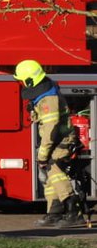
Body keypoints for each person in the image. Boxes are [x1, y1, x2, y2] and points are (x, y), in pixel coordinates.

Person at [16, 59, 78, 228]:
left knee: (55, 171)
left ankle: (74, 210)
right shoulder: (44, 93)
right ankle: (54, 212)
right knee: (50, 177)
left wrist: (42, 155)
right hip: (54, 140)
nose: (21, 84)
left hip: (60, 140)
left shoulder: (48, 99)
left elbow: (51, 128)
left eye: (22, 80)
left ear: (30, 81)